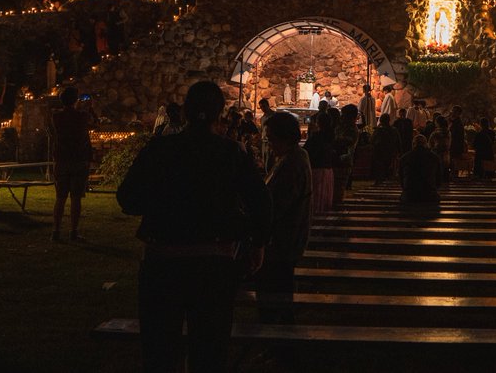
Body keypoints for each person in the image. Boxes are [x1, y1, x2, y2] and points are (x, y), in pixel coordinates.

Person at [116, 81, 271, 373]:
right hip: (213, 263)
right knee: (210, 349)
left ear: (185, 112)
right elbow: (260, 202)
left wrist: (160, 204)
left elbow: (128, 198)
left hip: (163, 261)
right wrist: (257, 242)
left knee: (160, 348)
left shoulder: (160, 149)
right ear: (219, 115)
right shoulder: (231, 153)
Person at [256, 111, 311, 324]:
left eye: (271, 138)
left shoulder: (293, 162)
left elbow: (279, 204)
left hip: (283, 241)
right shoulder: (291, 158)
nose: (269, 143)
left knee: (275, 296)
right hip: (283, 240)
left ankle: (278, 342)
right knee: (277, 294)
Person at [50, 87, 93, 243]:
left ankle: (56, 231)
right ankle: (73, 231)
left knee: (60, 197)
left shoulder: (56, 117)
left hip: (61, 159)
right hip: (78, 159)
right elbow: (91, 121)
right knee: (76, 198)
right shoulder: (81, 116)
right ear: (75, 100)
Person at [304, 111, 336, 214]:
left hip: (317, 169)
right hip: (328, 169)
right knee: (325, 195)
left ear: (318, 122)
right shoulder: (333, 135)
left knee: (317, 195)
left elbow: (307, 150)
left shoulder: (316, 136)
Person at [399, 135, 441, 204]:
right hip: (430, 196)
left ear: (413, 144)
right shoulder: (434, 158)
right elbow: (439, 180)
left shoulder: (404, 158)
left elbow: (401, 180)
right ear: (426, 144)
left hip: (409, 196)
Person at [370, 114, 400, 184]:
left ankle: (379, 180)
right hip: (389, 152)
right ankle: (386, 179)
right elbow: (398, 142)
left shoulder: (378, 130)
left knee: (380, 168)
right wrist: (398, 151)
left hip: (379, 153)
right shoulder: (394, 130)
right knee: (387, 167)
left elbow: (372, 141)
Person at [448, 107, 466, 181]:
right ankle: (454, 175)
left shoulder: (457, 123)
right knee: (453, 161)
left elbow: (454, 134)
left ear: (458, 113)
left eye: (454, 111)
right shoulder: (455, 122)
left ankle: (454, 176)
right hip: (455, 145)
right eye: (452, 111)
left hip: (455, 145)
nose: (452, 113)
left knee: (454, 161)